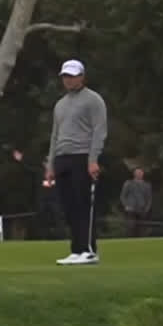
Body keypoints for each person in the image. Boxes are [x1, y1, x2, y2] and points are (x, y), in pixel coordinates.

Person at [44, 59, 107, 265]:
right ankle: (77, 249)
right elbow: (55, 136)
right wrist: (50, 165)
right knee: (68, 206)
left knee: (83, 205)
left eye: (72, 76)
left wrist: (93, 159)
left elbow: (99, 130)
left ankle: (89, 250)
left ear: (82, 77)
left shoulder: (93, 100)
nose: (69, 80)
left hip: (83, 156)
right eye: (65, 76)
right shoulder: (60, 105)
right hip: (62, 158)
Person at [119, 168, 151, 238]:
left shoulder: (147, 185)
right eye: (137, 172)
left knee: (142, 228)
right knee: (131, 227)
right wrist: (126, 205)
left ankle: (141, 241)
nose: (139, 174)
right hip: (131, 209)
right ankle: (130, 240)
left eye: (140, 172)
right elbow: (123, 196)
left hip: (142, 209)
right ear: (134, 174)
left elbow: (149, 198)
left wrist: (147, 208)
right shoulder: (128, 183)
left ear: (143, 174)